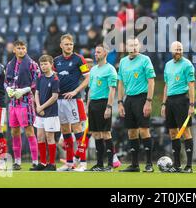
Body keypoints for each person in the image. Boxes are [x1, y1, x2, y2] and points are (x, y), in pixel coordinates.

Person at [117, 38, 156, 172]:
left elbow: (151, 82)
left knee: (144, 130)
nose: (133, 48)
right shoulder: (123, 62)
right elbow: (120, 83)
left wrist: (149, 102)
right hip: (129, 99)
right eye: (131, 45)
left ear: (139, 47)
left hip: (142, 98)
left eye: (135, 45)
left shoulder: (145, 60)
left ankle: (149, 164)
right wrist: (120, 102)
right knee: (131, 131)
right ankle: (134, 165)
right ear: (126, 47)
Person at [54, 34, 90, 172]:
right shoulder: (56, 61)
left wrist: (75, 91)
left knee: (77, 129)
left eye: (71, 44)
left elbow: (87, 78)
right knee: (65, 130)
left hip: (74, 100)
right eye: (66, 44)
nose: (69, 46)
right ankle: (69, 163)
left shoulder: (79, 59)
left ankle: (83, 162)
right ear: (61, 45)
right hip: (60, 100)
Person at [161, 41, 196, 173]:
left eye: (180, 49)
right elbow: (166, 85)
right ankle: (177, 165)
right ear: (171, 50)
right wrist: (164, 104)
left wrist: (192, 104)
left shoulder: (187, 64)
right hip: (170, 101)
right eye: (176, 49)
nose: (179, 51)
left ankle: (189, 166)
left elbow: (191, 85)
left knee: (185, 131)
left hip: (182, 100)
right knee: (173, 133)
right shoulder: (167, 65)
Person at [5, 40, 40, 170]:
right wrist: (7, 88)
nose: (21, 50)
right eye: (18, 48)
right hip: (13, 102)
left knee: (29, 131)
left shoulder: (32, 64)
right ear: (14, 50)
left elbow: (37, 81)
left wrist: (25, 90)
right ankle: (17, 162)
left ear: (26, 50)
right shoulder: (10, 64)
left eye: (23, 48)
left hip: (26, 102)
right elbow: (6, 81)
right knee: (14, 131)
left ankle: (35, 162)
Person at [87, 44, 118, 172]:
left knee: (106, 133)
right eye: (95, 52)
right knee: (95, 133)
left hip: (103, 103)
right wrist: (87, 105)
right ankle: (99, 164)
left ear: (105, 53)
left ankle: (110, 165)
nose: (96, 54)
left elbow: (112, 90)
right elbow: (90, 89)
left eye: (99, 52)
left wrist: (109, 107)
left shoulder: (110, 69)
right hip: (93, 104)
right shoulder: (93, 70)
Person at [31, 55, 60, 171]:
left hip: (51, 112)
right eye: (41, 64)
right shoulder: (40, 77)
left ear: (51, 64)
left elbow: (54, 97)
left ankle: (52, 164)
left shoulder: (55, 79)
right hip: (40, 112)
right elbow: (36, 93)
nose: (43, 66)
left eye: (45, 64)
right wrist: (38, 107)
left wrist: (41, 107)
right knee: (40, 137)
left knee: (50, 137)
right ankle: (43, 163)